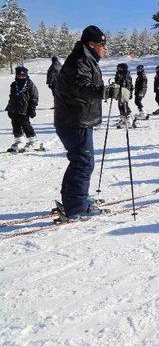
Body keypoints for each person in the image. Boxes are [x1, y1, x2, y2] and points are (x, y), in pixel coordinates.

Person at [54, 25, 127, 222]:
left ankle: (73, 199)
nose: (105, 48)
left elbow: (86, 85)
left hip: (77, 119)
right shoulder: (80, 60)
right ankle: (76, 206)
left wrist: (107, 89)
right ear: (91, 44)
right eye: (102, 44)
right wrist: (108, 92)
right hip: (74, 120)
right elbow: (82, 87)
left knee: (79, 161)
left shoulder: (85, 59)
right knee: (83, 163)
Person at [5, 66, 40, 152]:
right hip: (14, 109)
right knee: (15, 124)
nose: (21, 77)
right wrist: (9, 108)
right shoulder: (14, 84)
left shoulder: (30, 84)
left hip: (25, 109)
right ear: (16, 75)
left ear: (26, 75)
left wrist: (32, 108)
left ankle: (33, 140)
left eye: (23, 76)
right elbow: (11, 97)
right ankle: (19, 140)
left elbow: (34, 97)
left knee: (25, 125)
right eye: (19, 76)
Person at [114, 63, 134, 129]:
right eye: (118, 68)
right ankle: (125, 118)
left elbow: (129, 85)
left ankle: (128, 120)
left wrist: (129, 93)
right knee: (121, 106)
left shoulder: (126, 75)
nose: (118, 69)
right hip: (120, 92)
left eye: (119, 68)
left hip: (124, 92)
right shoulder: (119, 74)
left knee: (123, 106)